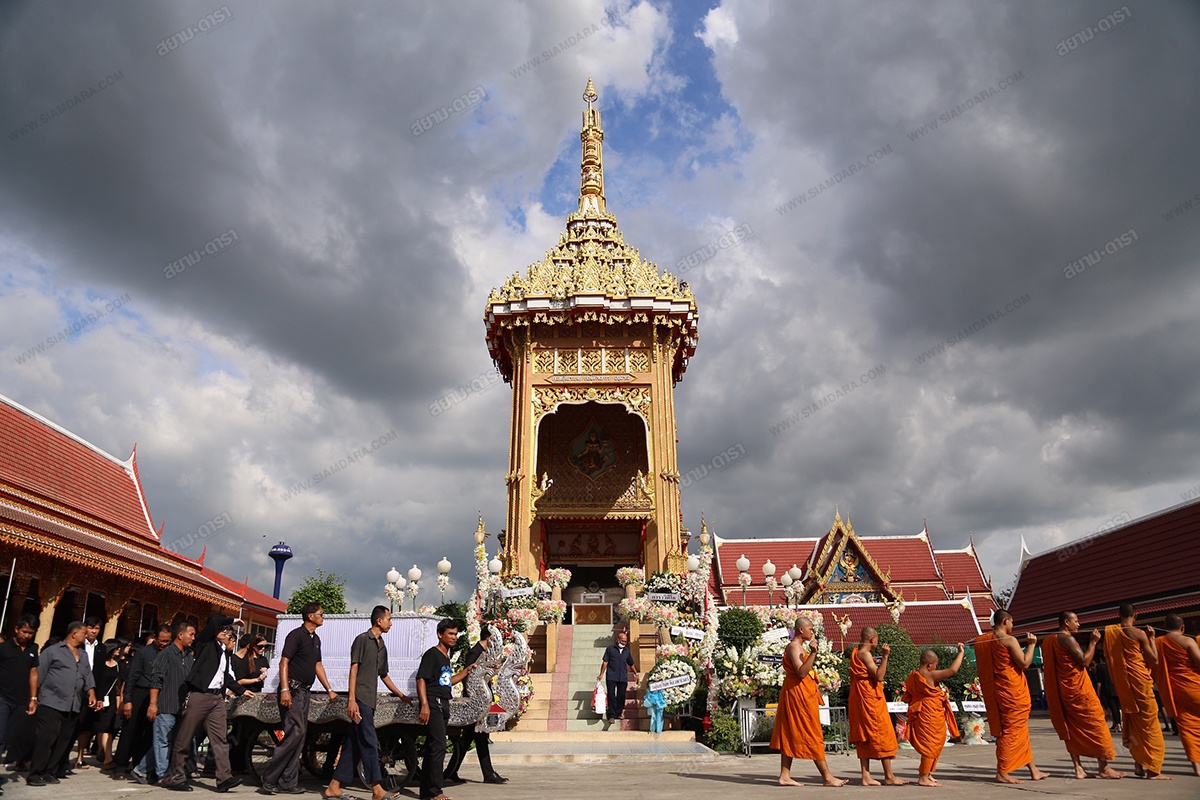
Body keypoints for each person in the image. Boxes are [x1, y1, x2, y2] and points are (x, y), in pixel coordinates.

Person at [325, 606, 412, 800]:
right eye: (389, 619)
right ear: (379, 621)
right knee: (370, 741)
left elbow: (384, 675)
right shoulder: (362, 640)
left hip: (370, 701)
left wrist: (401, 695)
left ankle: (333, 786)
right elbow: (353, 670)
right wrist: (351, 700)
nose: (391, 623)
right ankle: (377, 788)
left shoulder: (382, 645)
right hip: (360, 699)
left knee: (354, 745)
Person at [159, 615, 249, 793]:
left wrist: (240, 690)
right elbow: (214, 621)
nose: (226, 633)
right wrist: (231, 620)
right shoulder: (205, 643)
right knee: (185, 738)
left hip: (217, 699)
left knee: (220, 739)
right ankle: (177, 777)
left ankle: (224, 778)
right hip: (200, 696)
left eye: (228, 632)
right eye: (223, 630)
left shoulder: (224, 652)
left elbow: (223, 675)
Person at [259, 603, 339, 795]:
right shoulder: (296, 635)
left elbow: (317, 665)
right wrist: (285, 689)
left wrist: (329, 689)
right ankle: (269, 778)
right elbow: (284, 662)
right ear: (310, 616)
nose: (323, 616)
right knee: (296, 731)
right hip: (292, 690)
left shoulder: (315, 639)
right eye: (320, 614)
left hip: (305, 692)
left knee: (300, 735)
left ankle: (287, 782)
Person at [1042, 612, 1123, 779]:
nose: (1078, 624)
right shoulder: (1067, 639)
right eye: (1076, 621)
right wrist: (1093, 642)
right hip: (1079, 691)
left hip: (1065, 691)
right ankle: (1103, 767)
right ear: (1066, 622)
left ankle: (1078, 768)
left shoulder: (1050, 640)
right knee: (1098, 724)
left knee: (1071, 729)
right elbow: (1085, 661)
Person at [769, 617, 847, 787]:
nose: (812, 631)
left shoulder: (799, 647)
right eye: (810, 629)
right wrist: (813, 653)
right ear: (801, 630)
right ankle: (827, 777)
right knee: (812, 733)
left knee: (791, 733)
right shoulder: (793, 647)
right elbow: (801, 672)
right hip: (798, 695)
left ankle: (785, 775)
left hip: (801, 693)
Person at [975, 610, 1049, 783]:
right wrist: (1031, 645)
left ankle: (1034, 770)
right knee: (1011, 732)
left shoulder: (986, 641)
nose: (1012, 626)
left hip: (1000, 691)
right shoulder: (1009, 640)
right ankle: (1002, 771)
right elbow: (1025, 663)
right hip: (1011, 692)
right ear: (1005, 621)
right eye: (1012, 622)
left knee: (1019, 731)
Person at [27, 621, 100, 786]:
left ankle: (51, 771)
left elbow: (87, 675)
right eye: (84, 633)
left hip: (73, 704)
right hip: (51, 702)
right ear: (74, 633)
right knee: (46, 739)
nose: (87, 635)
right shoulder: (53, 651)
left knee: (63, 741)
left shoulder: (83, 655)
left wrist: (91, 693)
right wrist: (33, 698)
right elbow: (38, 674)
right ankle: (36, 773)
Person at [1104, 603, 1169, 779]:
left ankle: (1139, 765)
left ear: (1119, 615)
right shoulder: (1139, 634)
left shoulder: (1111, 632)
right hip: (1141, 684)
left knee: (1135, 727)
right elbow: (1154, 659)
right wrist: (1152, 638)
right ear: (1136, 616)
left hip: (1126, 688)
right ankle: (1153, 770)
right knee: (1150, 726)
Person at [416, 618, 474, 800]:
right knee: (439, 746)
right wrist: (424, 704)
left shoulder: (446, 657)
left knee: (433, 747)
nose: (454, 637)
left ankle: (426, 792)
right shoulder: (432, 654)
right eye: (450, 633)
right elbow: (421, 679)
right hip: (434, 702)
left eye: (455, 634)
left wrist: (465, 672)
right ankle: (435, 791)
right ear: (440, 634)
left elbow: (447, 682)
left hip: (444, 701)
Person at [444, 623, 506, 785]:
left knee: (470, 739)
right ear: (489, 638)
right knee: (480, 736)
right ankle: (488, 773)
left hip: (480, 702)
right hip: (475, 703)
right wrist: (475, 697)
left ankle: (452, 771)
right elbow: (467, 676)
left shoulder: (483, 653)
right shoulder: (474, 653)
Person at [848, 627, 905, 786]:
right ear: (872, 639)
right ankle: (889, 776)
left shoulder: (857, 652)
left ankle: (866, 776)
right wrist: (885, 656)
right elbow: (879, 676)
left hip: (861, 696)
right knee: (882, 733)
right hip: (869, 699)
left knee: (865, 736)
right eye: (877, 640)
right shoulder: (865, 654)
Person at [903, 645, 964, 786]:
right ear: (930, 664)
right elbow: (952, 670)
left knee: (934, 742)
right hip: (928, 712)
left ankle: (928, 773)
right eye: (935, 665)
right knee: (930, 744)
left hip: (923, 711)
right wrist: (961, 653)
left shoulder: (912, 677)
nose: (936, 668)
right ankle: (923, 777)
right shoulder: (928, 674)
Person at [118, 624, 172, 782]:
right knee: (130, 730)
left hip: (158, 696)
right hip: (140, 694)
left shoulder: (169, 654)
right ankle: (120, 765)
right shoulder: (143, 653)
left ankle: (140, 765)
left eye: (167, 641)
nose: (164, 644)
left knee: (149, 734)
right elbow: (131, 678)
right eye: (162, 640)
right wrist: (127, 700)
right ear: (155, 638)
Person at [147, 620, 197, 786]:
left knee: (173, 741)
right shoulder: (166, 654)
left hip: (181, 707)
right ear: (180, 635)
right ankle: (163, 775)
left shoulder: (188, 656)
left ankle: (140, 770)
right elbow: (156, 680)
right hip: (166, 705)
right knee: (163, 742)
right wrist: (153, 704)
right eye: (191, 634)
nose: (193, 638)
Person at [1153, 614, 1200, 776]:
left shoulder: (1158, 642)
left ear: (1165, 627)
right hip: (1194, 686)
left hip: (1175, 690)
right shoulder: (1188, 641)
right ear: (1183, 627)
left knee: (1187, 728)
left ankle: (1197, 767)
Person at [0, 615, 39, 766]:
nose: (27, 635)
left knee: (9, 737)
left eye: (30, 633)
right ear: (16, 629)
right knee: (0, 736)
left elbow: (33, 673)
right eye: (24, 632)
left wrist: (33, 698)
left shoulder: (33, 649)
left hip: (21, 701)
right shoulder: (4, 648)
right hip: (2, 698)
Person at [89, 640, 123, 771]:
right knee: (103, 728)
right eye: (116, 649)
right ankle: (106, 756)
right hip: (100, 698)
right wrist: (98, 697)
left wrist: (118, 701)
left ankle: (103, 752)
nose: (118, 651)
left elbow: (118, 684)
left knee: (108, 727)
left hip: (112, 699)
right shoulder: (100, 664)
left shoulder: (117, 665)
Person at [73, 616, 102, 769]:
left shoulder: (101, 648)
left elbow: (102, 673)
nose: (93, 631)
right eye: (91, 628)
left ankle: (80, 757)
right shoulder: (77, 646)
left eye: (96, 628)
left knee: (85, 725)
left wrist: (99, 696)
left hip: (91, 691)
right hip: (74, 688)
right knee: (71, 723)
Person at [597, 628, 637, 725]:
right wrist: (601, 674)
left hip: (622, 677)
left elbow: (631, 663)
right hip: (611, 676)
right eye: (622, 641)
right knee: (611, 695)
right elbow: (605, 662)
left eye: (625, 641)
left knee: (621, 696)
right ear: (617, 640)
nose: (624, 643)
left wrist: (636, 673)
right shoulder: (610, 649)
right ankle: (611, 715)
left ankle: (619, 713)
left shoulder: (626, 651)